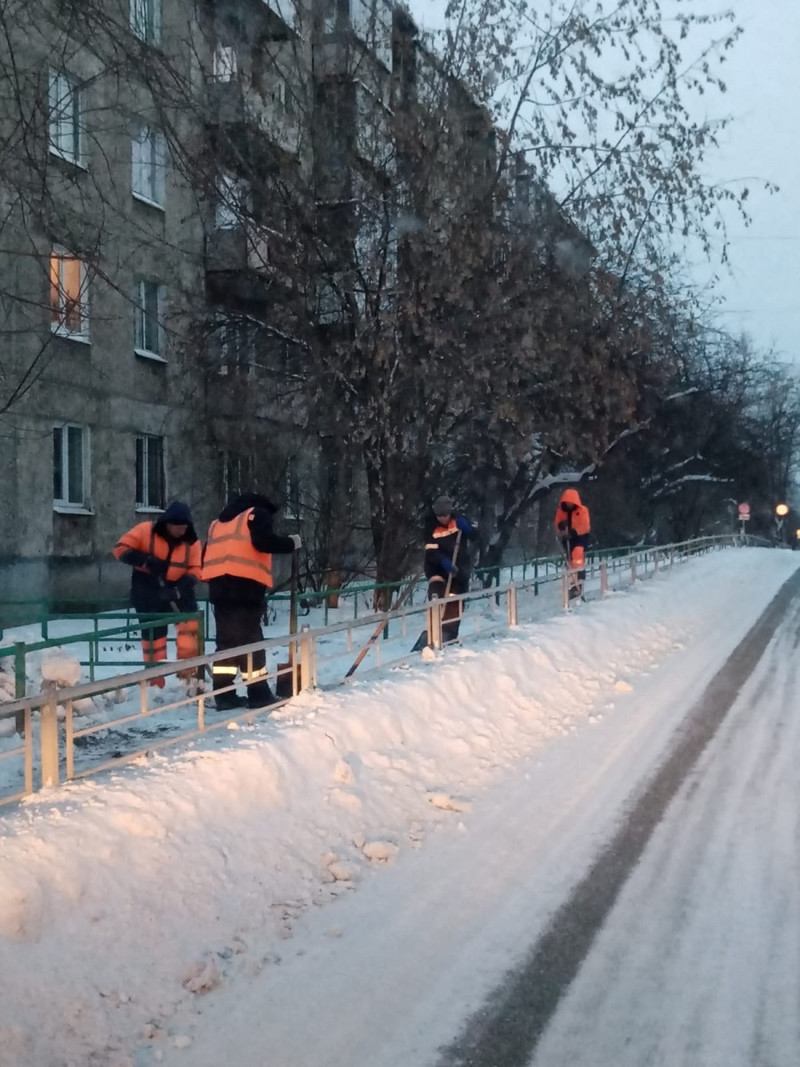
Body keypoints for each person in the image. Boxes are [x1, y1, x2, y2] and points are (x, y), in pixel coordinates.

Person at [202, 492, 300, 711]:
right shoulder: (257, 514)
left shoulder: (218, 523)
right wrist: (290, 543)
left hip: (219, 591)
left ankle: (224, 695)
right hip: (244, 590)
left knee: (226, 644)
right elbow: (263, 542)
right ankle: (258, 693)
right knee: (251, 642)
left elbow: (205, 555)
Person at [113, 501, 202, 686]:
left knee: (190, 631)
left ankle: (189, 676)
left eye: (185, 527)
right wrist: (146, 561)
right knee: (154, 637)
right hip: (148, 589)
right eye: (178, 527)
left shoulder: (192, 541)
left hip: (180, 589)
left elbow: (196, 570)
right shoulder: (145, 531)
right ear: (167, 523)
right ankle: (155, 681)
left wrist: (179, 589)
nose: (181, 531)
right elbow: (120, 549)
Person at [421, 494, 477, 645]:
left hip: (459, 572)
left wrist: (469, 529)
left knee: (454, 603)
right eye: (439, 515)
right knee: (436, 600)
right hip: (438, 570)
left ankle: (449, 635)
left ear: (450, 513)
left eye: (445, 515)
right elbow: (431, 552)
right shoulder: (431, 526)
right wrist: (443, 562)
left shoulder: (458, 522)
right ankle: (433, 634)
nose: (442, 519)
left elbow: (477, 537)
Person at [554, 488, 591, 599]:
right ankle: (572, 582)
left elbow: (585, 525)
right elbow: (557, 523)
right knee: (569, 560)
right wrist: (561, 526)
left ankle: (579, 580)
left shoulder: (582, 510)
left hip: (580, 537)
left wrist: (575, 531)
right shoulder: (561, 512)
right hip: (567, 538)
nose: (570, 505)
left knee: (577, 555)